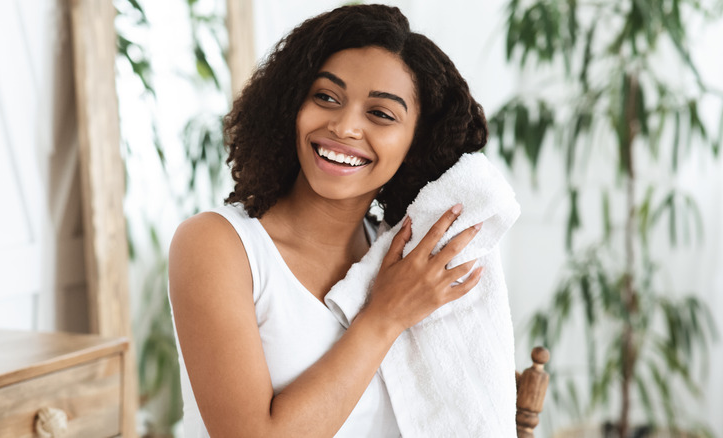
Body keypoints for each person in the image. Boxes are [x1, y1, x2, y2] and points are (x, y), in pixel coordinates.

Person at [169, 4, 489, 437]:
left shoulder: (402, 261)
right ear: (290, 105)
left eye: (380, 113)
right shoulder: (218, 245)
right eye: (326, 97)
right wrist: (384, 318)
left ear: (417, 143)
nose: (344, 127)